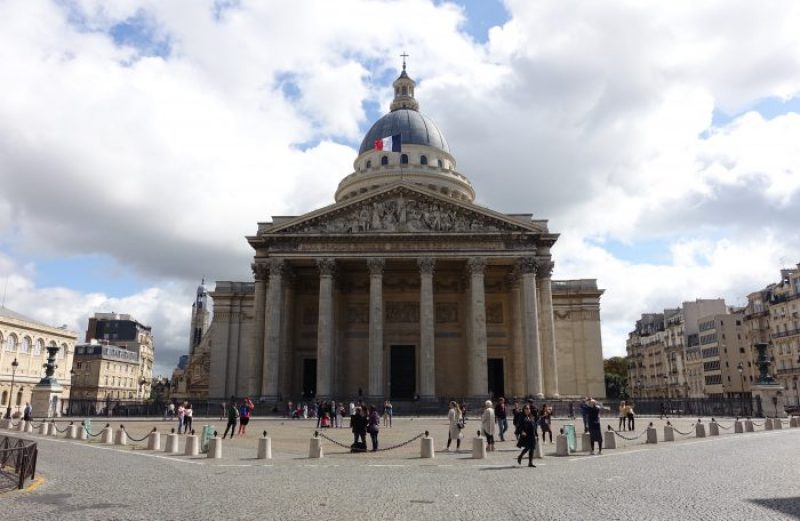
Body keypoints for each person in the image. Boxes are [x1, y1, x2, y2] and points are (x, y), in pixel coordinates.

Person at [516, 403, 538, 468]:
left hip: (532, 434)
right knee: (528, 447)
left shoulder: (531, 416)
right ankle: (520, 456)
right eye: (526, 409)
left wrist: (536, 434)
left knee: (532, 448)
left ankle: (530, 463)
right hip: (526, 434)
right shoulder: (522, 417)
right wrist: (522, 431)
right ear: (524, 410)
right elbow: (520, 426)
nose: (528, 410)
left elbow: (534, 426)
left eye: (529, 409)